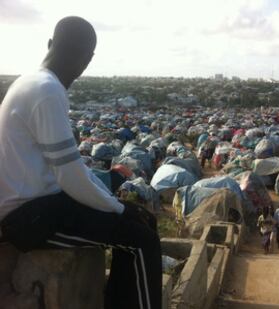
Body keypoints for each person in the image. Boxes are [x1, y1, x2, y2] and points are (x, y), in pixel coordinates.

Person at [0, 16, 161, 309]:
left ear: (50, 44)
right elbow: (71, 176)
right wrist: (121, 209)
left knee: (138, 226)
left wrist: (117, 207)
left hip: (37, 206)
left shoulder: (28, 82)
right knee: (142, 239)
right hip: (29, 218)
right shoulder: (48, 91)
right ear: (87, 60)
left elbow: (69, 169)